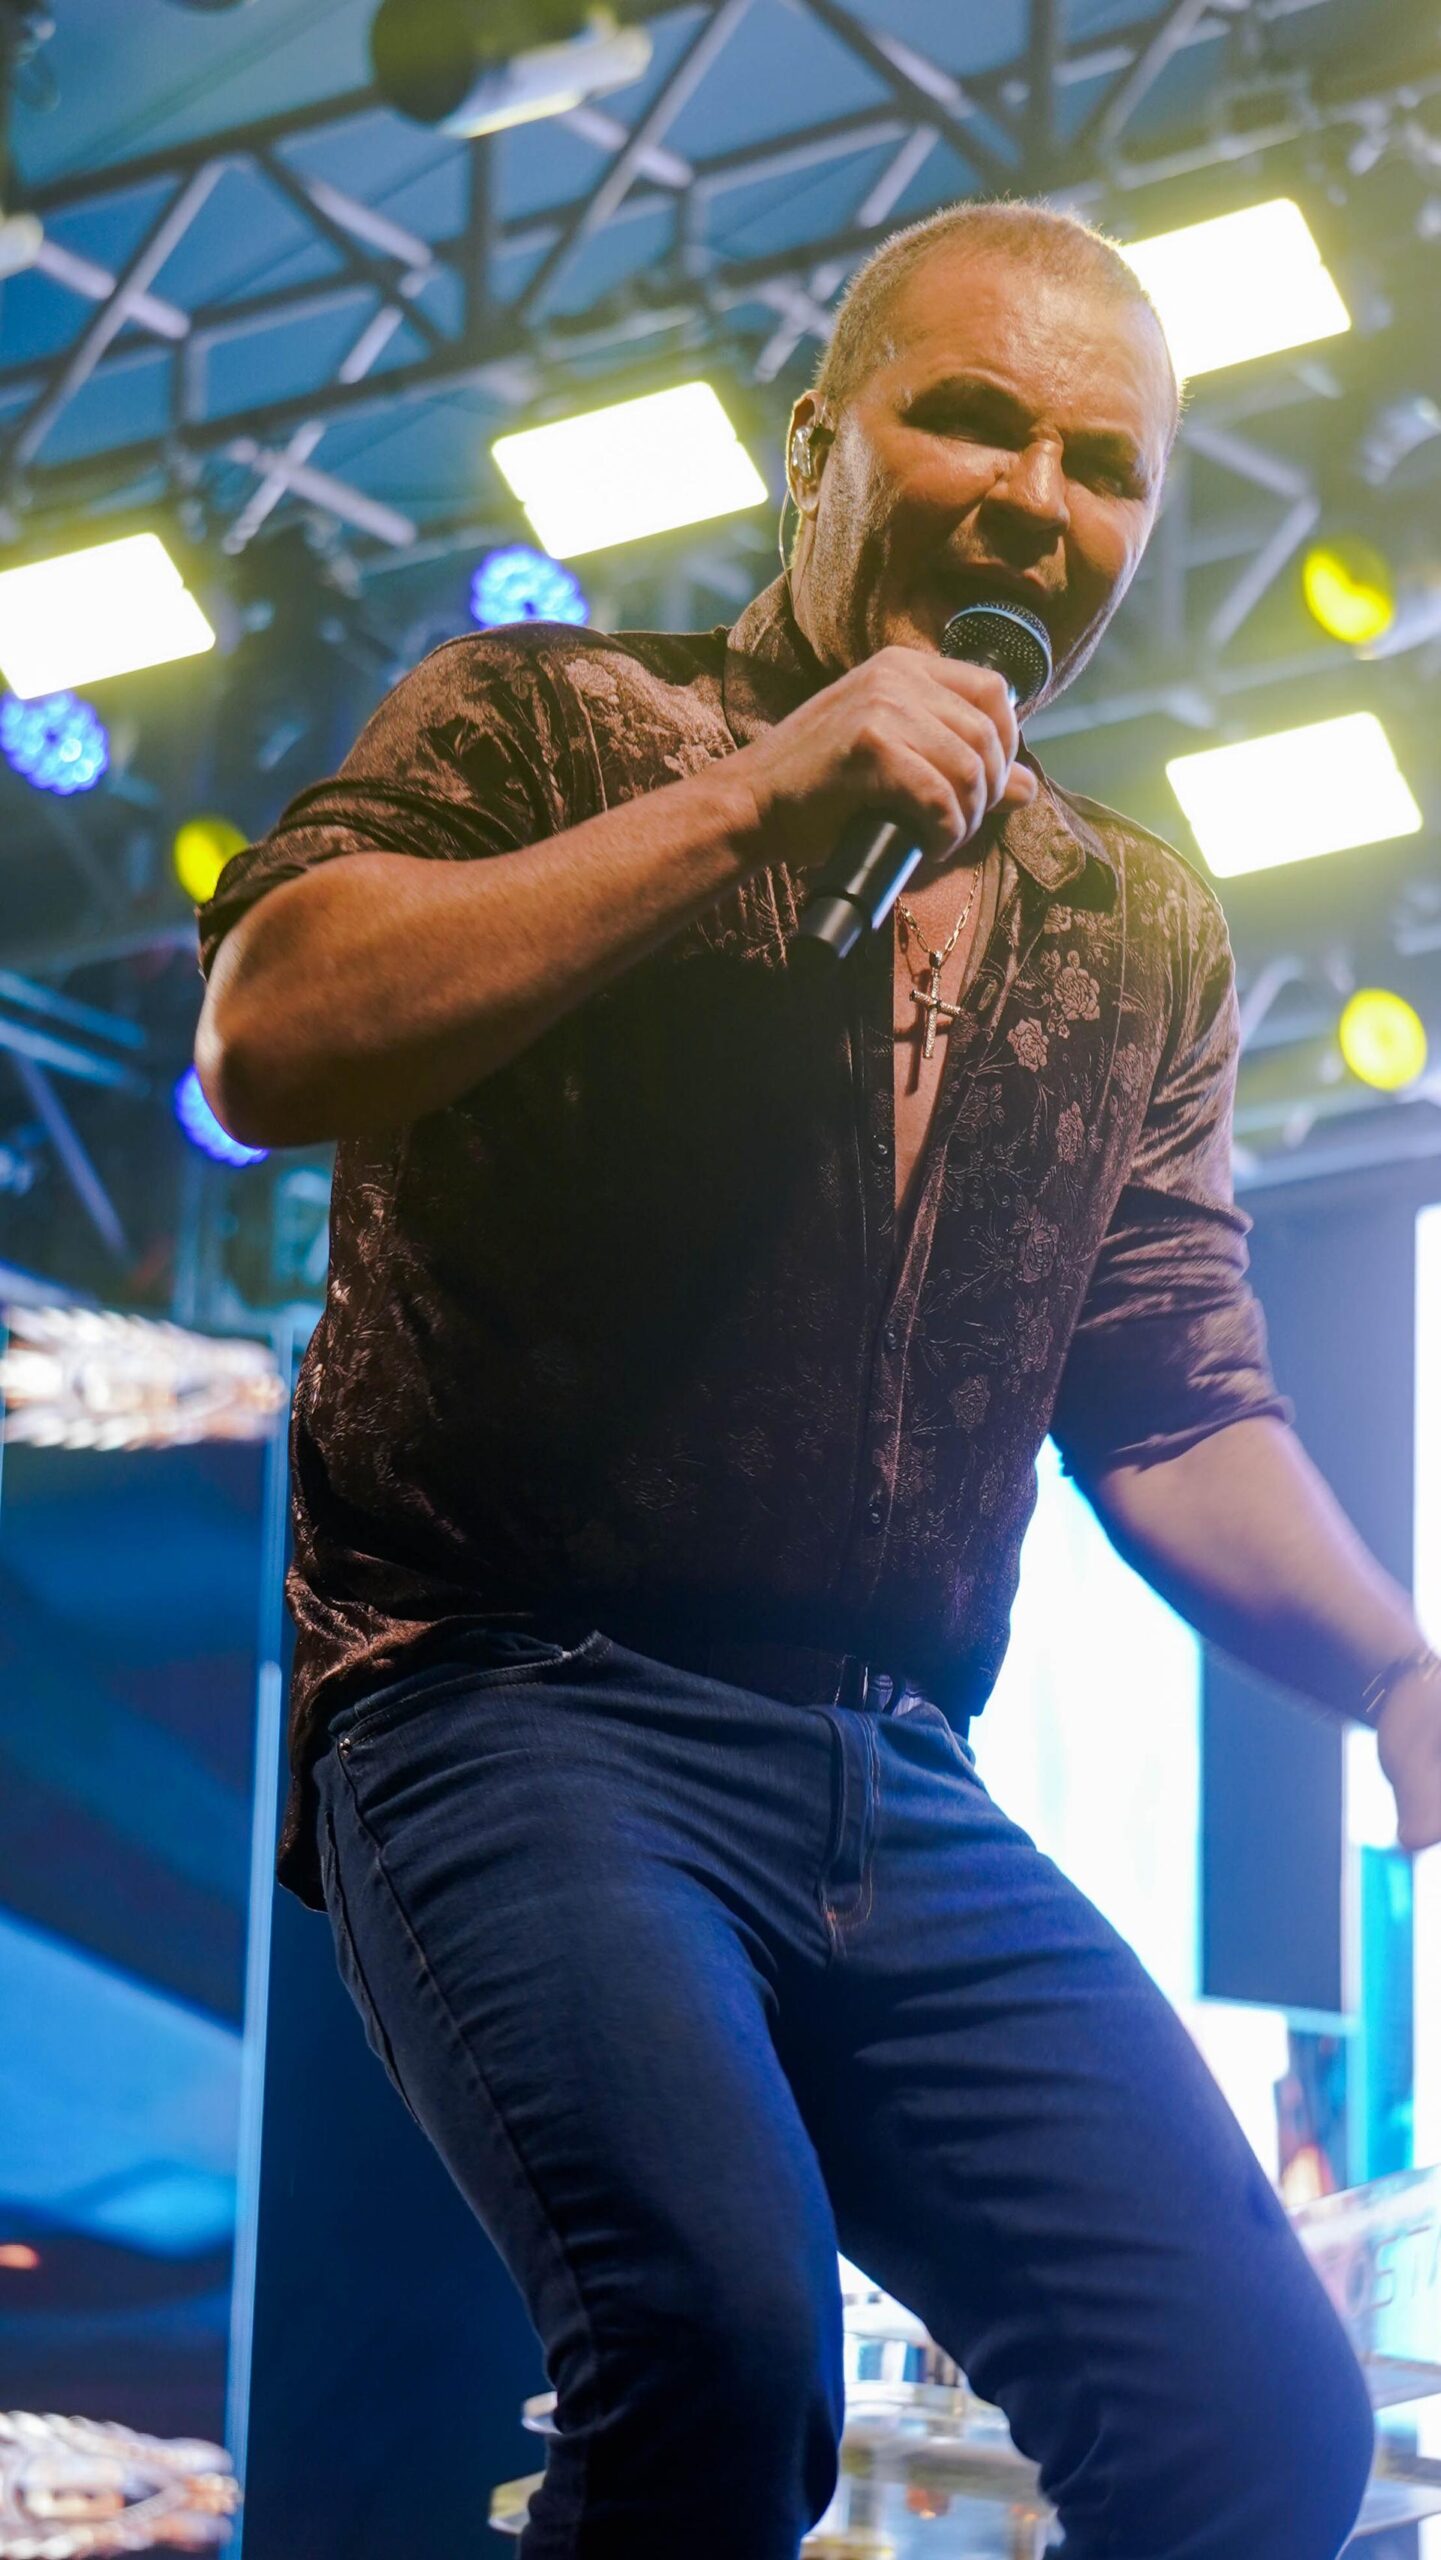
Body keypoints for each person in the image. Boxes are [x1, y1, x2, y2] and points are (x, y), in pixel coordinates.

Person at [194, 199, 1440, 2559]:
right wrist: (756, 798)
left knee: (1259, 2425)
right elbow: (269, 1030)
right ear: (812, 450)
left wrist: (1391, 1663)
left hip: (890, 1767)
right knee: (714, 2334)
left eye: (1099, 465)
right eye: (968, 420)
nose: (1031, 499)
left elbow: (1173, 1398)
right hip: (510, 1692)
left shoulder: (1132, 926)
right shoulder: (546, 720)